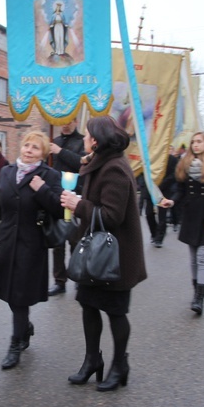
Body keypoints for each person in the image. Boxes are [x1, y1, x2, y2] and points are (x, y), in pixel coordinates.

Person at [60, 116, 146, 391]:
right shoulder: (100, 162)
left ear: (95, 140)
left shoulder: (115, 169)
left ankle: (120, 365)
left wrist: (78, 204)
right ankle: (92, 361)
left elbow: (111, 216)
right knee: (89, 306)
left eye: (86, 135)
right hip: (96, 254)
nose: (84, 139)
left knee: (116, 313)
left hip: (114, 258)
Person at [0, 130, 63, 369]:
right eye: (26, 145)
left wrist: (42, 189)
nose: (28, 150)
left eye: (35, 148)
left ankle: (16, 344)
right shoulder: (7, 172)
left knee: (19, 297)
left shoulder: (49, 175)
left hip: (31, 245)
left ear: (43, 154)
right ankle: (24, 326)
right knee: (10, 295)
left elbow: (59, 209)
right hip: (6, 244)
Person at [160, 132, 204, 315]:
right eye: (193, 142)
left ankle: (199, 299)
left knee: (203, 256)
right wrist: (172, 201)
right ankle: (196, 290)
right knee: (193, 257)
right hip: (190, 215)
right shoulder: (185, 163)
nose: (195, 145)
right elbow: (180, 190)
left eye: (199, 141)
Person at [48, 119, 85, 296]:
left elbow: (81, 163)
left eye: (68, 121)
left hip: (76, 197)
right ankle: (59, 281)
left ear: (75, 121)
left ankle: (78, 276)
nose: (64, 124)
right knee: (58, 242)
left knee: (75, 240)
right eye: (62, 121)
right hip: (58, 197)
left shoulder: (82, 141)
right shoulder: (54, 141)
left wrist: (60, 152)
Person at [137, 148, 178, 248]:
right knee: (148, 213)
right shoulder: (151, 157)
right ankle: (154, 233)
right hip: (150, 190)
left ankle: (159, 238)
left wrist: (161, 184)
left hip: (164, 191)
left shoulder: (172, 159)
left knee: (162, 216)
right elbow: (143, 172)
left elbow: (174, 175)